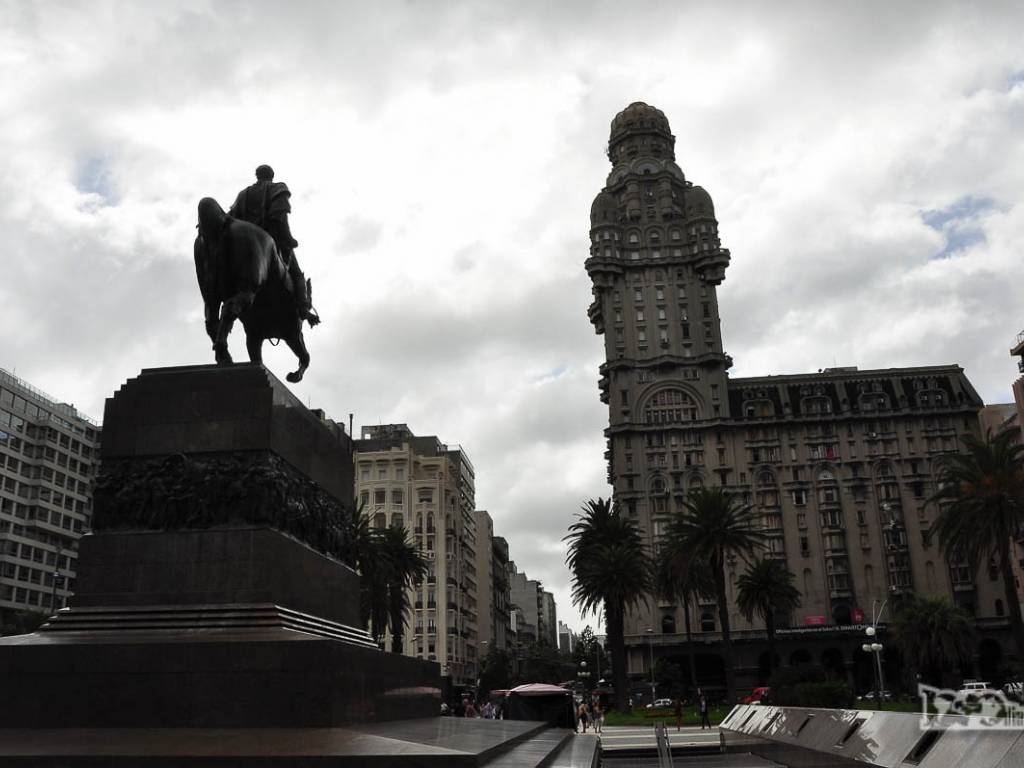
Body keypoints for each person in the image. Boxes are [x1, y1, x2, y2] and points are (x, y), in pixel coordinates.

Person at [229, 164, 317, 324]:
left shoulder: (243, 194)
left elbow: (231, 218)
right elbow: (280, 216)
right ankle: (304, 310)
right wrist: (288, 239)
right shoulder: (278, 188)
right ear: (271, 176)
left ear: (257, 176)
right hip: (274, 242)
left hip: (247, 249)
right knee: (297, 274)